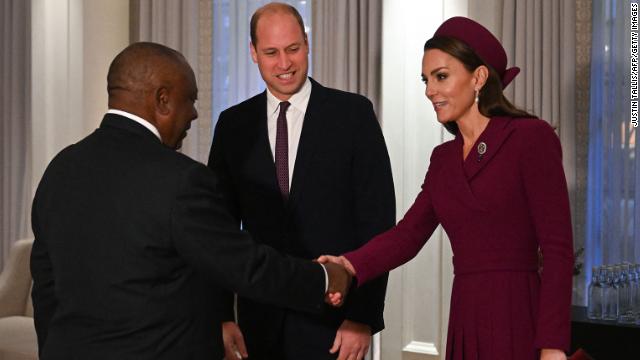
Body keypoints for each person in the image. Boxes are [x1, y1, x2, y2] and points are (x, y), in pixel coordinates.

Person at [30, 42, 353, 360]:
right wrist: (325, 278)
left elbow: (45, 287)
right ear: (163, 99)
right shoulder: (181, 180)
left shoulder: (60, 168)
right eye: (191, 99)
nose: (195, 114)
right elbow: (244, 266)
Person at [319, 17, 574, 360]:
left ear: (479, 77)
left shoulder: (530, 138)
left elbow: (558, 250)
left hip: (518, 312)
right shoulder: (443, 159)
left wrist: (553, 345)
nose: (429, 91)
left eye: (441, 77)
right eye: (426, 80)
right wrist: (349, 265)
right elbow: (407, 236)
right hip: (466, 314)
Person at [208, 3, 395, 360]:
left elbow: (378, 223)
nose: (284, 63)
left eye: (293, 49)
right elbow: (219, 230)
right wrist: (221, 315)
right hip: (256, 323)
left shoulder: (353, 115)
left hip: (334, 323)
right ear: (253, 53)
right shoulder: (233, 125)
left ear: (307, 44)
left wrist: (362, 316)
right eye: (271, 52)